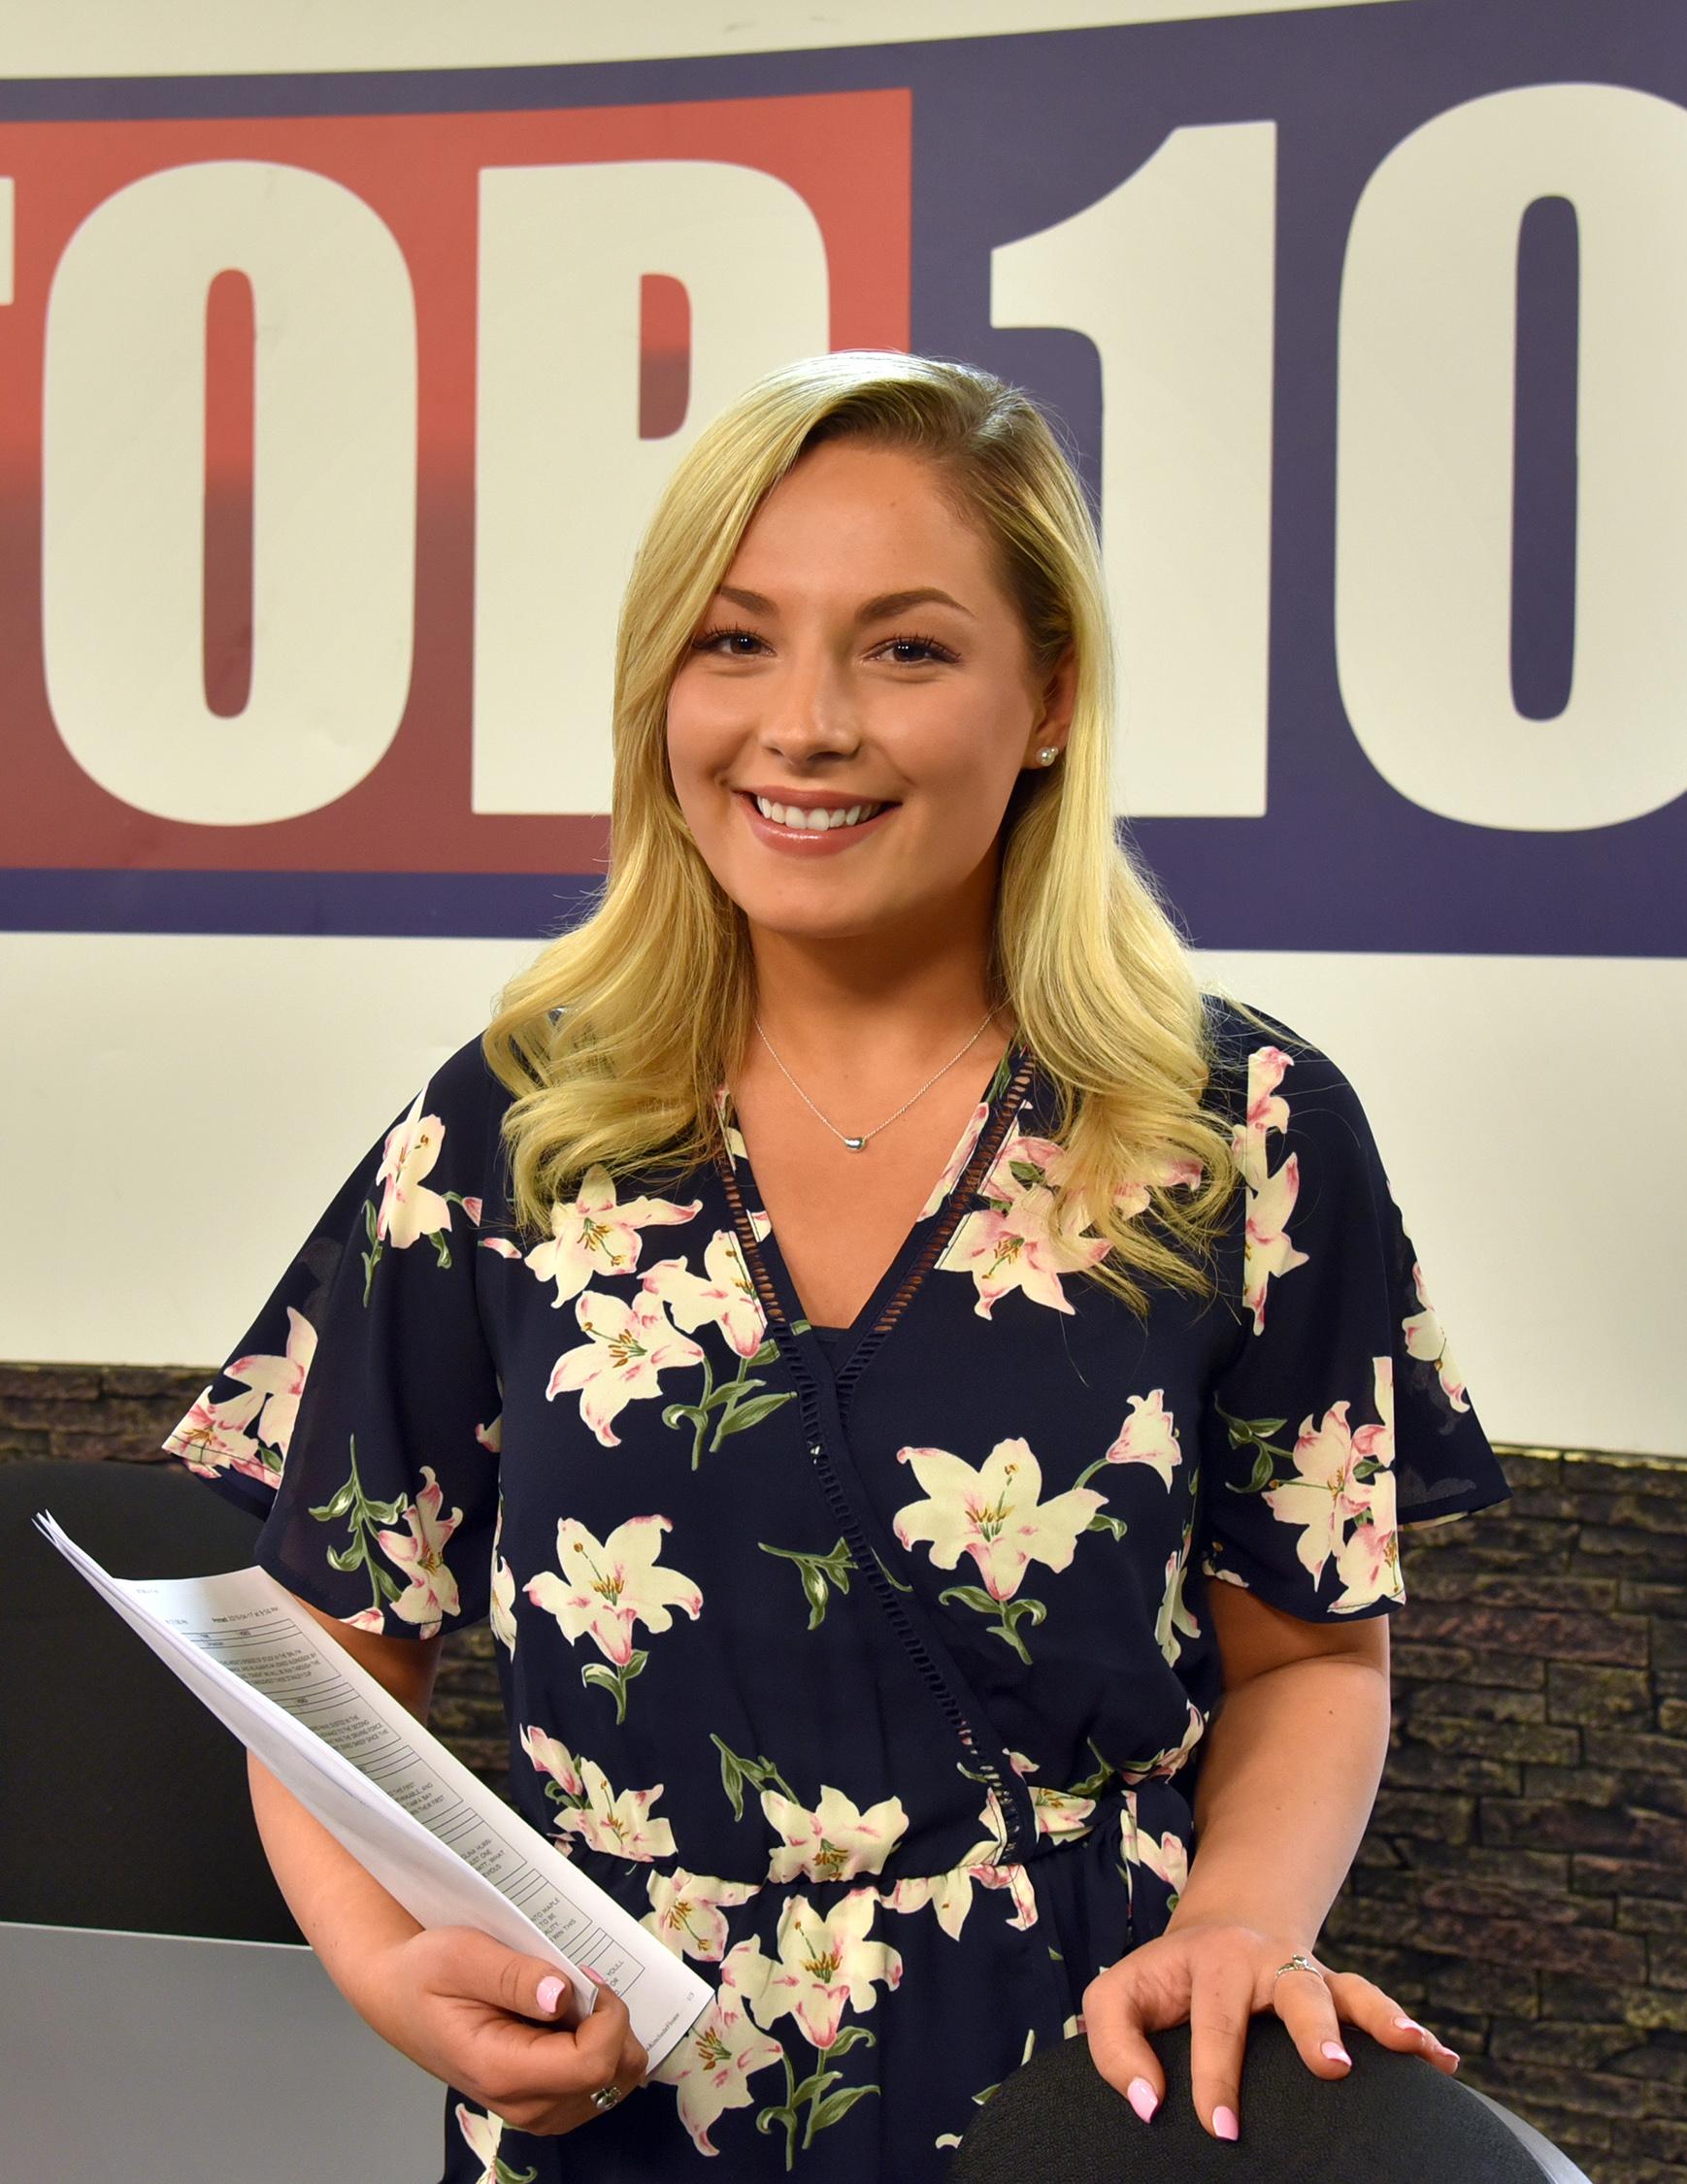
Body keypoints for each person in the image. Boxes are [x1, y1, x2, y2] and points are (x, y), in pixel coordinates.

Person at [166, 348, 1511, 2180]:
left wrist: (1240, 1926)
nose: (804, 723)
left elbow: (1309, 1661)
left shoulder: (1238, 1128)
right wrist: (392, 1966)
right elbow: (324, 1652)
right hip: (610, 2114)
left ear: (1045, 694)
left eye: (906, 647)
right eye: (735, 641)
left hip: (1090, 2117)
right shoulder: (513, 1130)